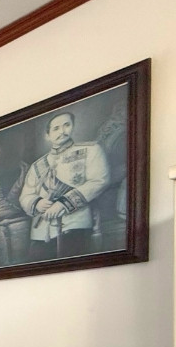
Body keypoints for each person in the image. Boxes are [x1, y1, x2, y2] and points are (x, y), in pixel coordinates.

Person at [18, 111, 110, 260]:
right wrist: (37, 203)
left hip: (75, 225)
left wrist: (63, 204)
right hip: (42, 232)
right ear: (47, 136)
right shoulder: (37, 165)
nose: (62, 131)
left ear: (72, 126)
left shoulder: (91, 150)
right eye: (56, 128)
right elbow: (25, 196)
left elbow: (99, 181)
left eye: (66, 125)